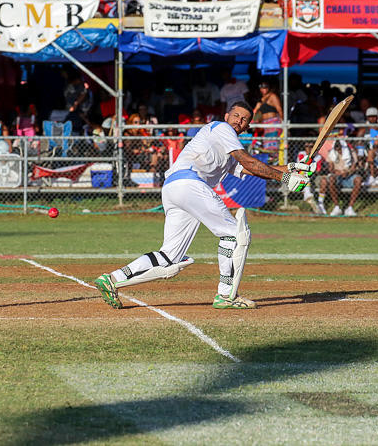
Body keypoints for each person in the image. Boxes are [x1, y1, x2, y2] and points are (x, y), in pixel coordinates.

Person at [93, 101, 315, 310]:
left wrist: (293, 168)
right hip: (190, 184)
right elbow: (248, 161)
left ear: (248, 126)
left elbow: (250, 169)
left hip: (173, 188)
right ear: (226, 116)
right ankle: (226, 295)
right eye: (236, 115)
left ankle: (112, 279)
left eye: (244, 119)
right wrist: (285, 179)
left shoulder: (226, 147)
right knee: (234, 235)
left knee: (169, 257)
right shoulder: (222, 128)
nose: (239, 121)